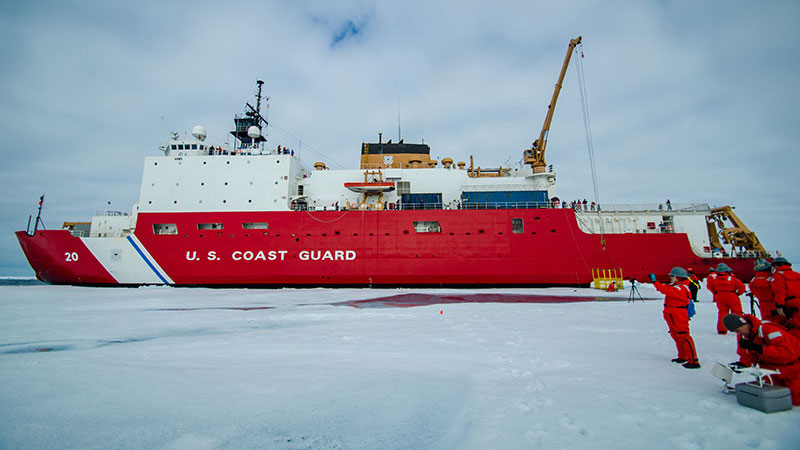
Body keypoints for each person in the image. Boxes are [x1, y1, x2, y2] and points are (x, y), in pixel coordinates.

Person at [723, 313, 800, 406]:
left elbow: (788, 353)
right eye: (736, 332)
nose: (739, 334)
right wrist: (743, 364)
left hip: (791, 368)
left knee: (795, 400)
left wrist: (759, 348)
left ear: (744, 324)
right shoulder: (744, 336)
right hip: (769, 369)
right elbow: (746, 354)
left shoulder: (768, 330)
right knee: (771, 398)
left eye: (738, 330)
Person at [650, 267, 700, 368]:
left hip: (678, 313)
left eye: (672, 276)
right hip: (672, 313)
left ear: (678, 277)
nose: (670, 278)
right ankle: (683, 355)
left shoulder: (680, 288)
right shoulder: (677, 286)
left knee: (683, 335)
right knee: (676, 335)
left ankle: (693, 360)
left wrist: (655, 281)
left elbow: (665, 290)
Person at [708, 263, 745, 335]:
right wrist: (738, 294)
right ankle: (741, 328)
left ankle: (722, 330)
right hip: (732, 295)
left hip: (720, 296)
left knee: (722, 313)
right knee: (737, 312)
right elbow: (742, 287)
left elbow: (709, 286)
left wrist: (715, 293)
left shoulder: (713, 278)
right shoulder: (732, 278)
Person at [771, 257, 800, 339]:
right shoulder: (797, 274)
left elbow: (779, 292)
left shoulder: (778, 276)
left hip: (791, 304)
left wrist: (779, 306)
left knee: (795, 326)